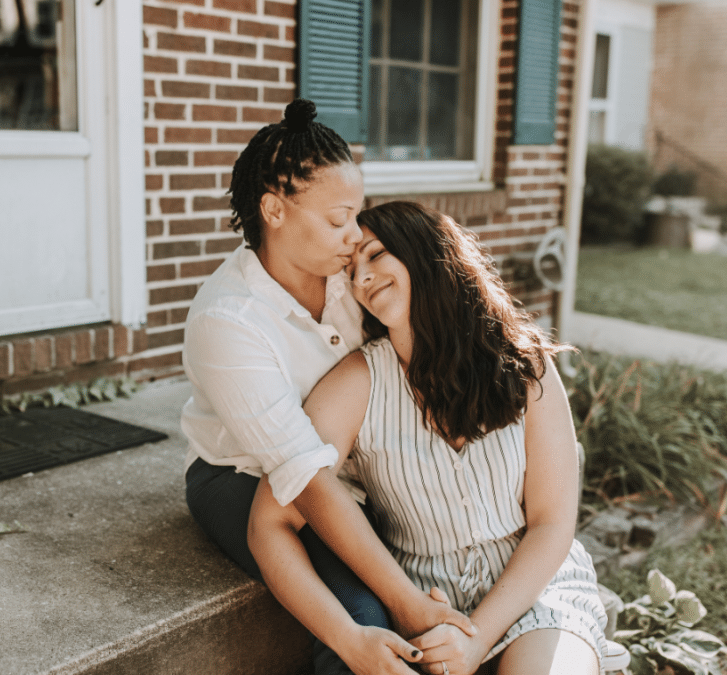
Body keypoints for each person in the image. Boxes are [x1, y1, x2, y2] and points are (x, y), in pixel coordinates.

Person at [248, 201, 611, 675]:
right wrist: (348, 635)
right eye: (353, 271)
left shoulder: (525, 366)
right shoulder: (357, 384)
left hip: (535, 592)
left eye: (376, 255)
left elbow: (551, 523)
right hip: (424, 607)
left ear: (426, 252)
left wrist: (476, 641)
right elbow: (267, 523)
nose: (363, 278)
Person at [181, 101, 474, 675]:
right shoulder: (228, 320)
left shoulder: (350, 277)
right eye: (338, 218)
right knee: (364, 618)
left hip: (349, 469)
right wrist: (405, 603)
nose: (355, 234)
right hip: (245, 476)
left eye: (356, 215)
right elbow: (304, 479)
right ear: (274, 210)